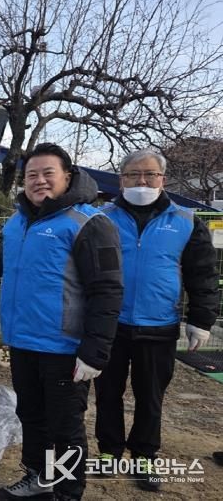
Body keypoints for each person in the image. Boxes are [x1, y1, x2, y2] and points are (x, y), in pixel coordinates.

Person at [0, 143, 123, 500]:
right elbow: (5, 263)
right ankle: (40, 480)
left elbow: (107, 290)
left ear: (67, 177)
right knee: (32, 416)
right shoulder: (19, 222)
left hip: (64, 347)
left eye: (47, 173)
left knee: (65, 427)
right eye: (31, 175)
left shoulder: (88, 223)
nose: (39, 181)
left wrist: (94, 352)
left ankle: (68, 493)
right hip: (23, 341)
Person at [93, 149, 219, 491]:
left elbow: (203, 273)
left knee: (150, 396)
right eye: (133, 175)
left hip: (159, 325)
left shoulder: (186, 221)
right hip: (110, 325)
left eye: (150, 174)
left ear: (163, 178)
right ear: (121, 180)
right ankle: (109, 451)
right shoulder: (101, 218)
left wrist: (201, 319)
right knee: (107, 393)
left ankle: (145, 455)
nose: (142, 181)